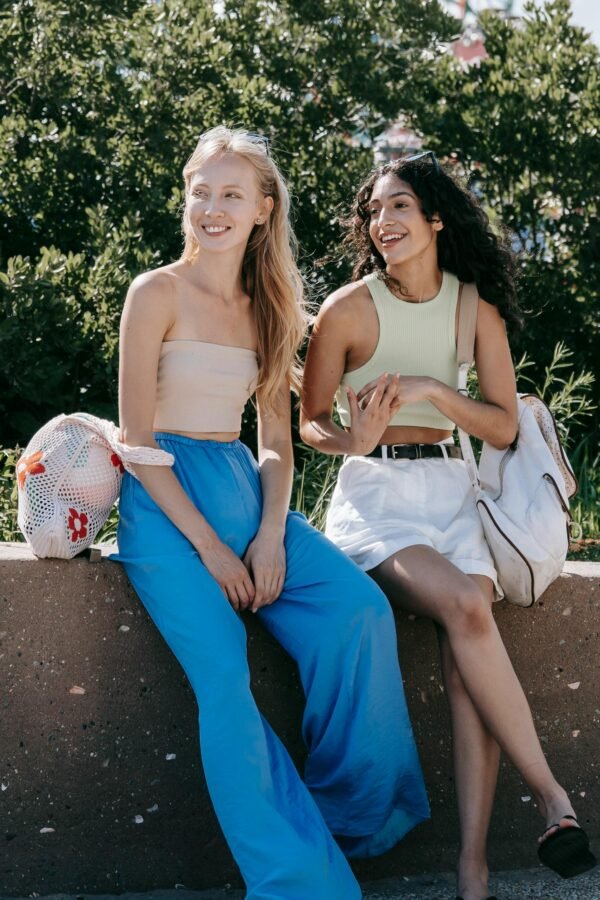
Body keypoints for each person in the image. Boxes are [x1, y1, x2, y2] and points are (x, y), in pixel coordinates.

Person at [111, 127, 429, 900]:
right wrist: (214, 552)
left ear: (262, 208)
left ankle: (353, 823)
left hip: (244, 491)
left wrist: (267, 534)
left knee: (357, 612)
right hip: (162, 502)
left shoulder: (269, 305)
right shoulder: (154, 292)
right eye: (201, 191)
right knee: (224, 676)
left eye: (230, 194)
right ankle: (298, 882)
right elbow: (137, 441)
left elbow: (278, 442)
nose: (211, 208)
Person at [299, 152, 597, 900]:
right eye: (374, 211)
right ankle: (553, 796)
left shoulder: (473, 310)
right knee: (467, 607)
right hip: (376, 498)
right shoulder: (347, 309)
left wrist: (435, 389)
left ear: (435, 219)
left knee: (467, 677)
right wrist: (353, 441)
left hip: (453, 494)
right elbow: (308, 423)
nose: (383, 221)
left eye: (399, 206)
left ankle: (472, 870)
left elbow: (500, 426)